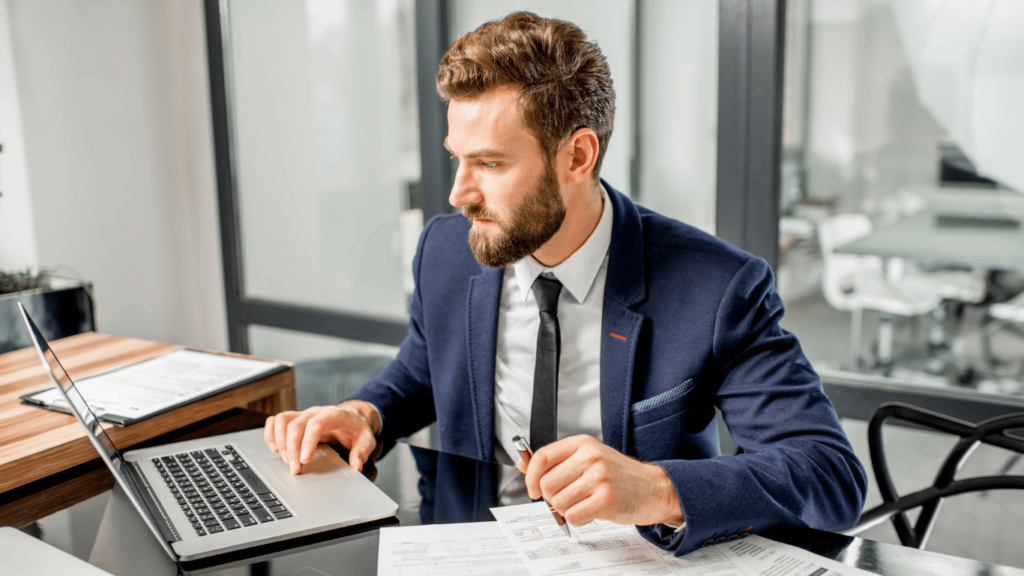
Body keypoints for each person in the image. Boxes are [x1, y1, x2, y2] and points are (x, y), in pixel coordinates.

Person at [263, 12, 866, 554]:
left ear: (578, 156)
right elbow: (422, 369)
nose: (458, 194)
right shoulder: (446, 251)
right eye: (456, 158)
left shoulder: (717, 287)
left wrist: (656, 488)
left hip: (633, 560)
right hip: (466, 548)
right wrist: (365, 412)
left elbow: (829, 474)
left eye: (490, 163)